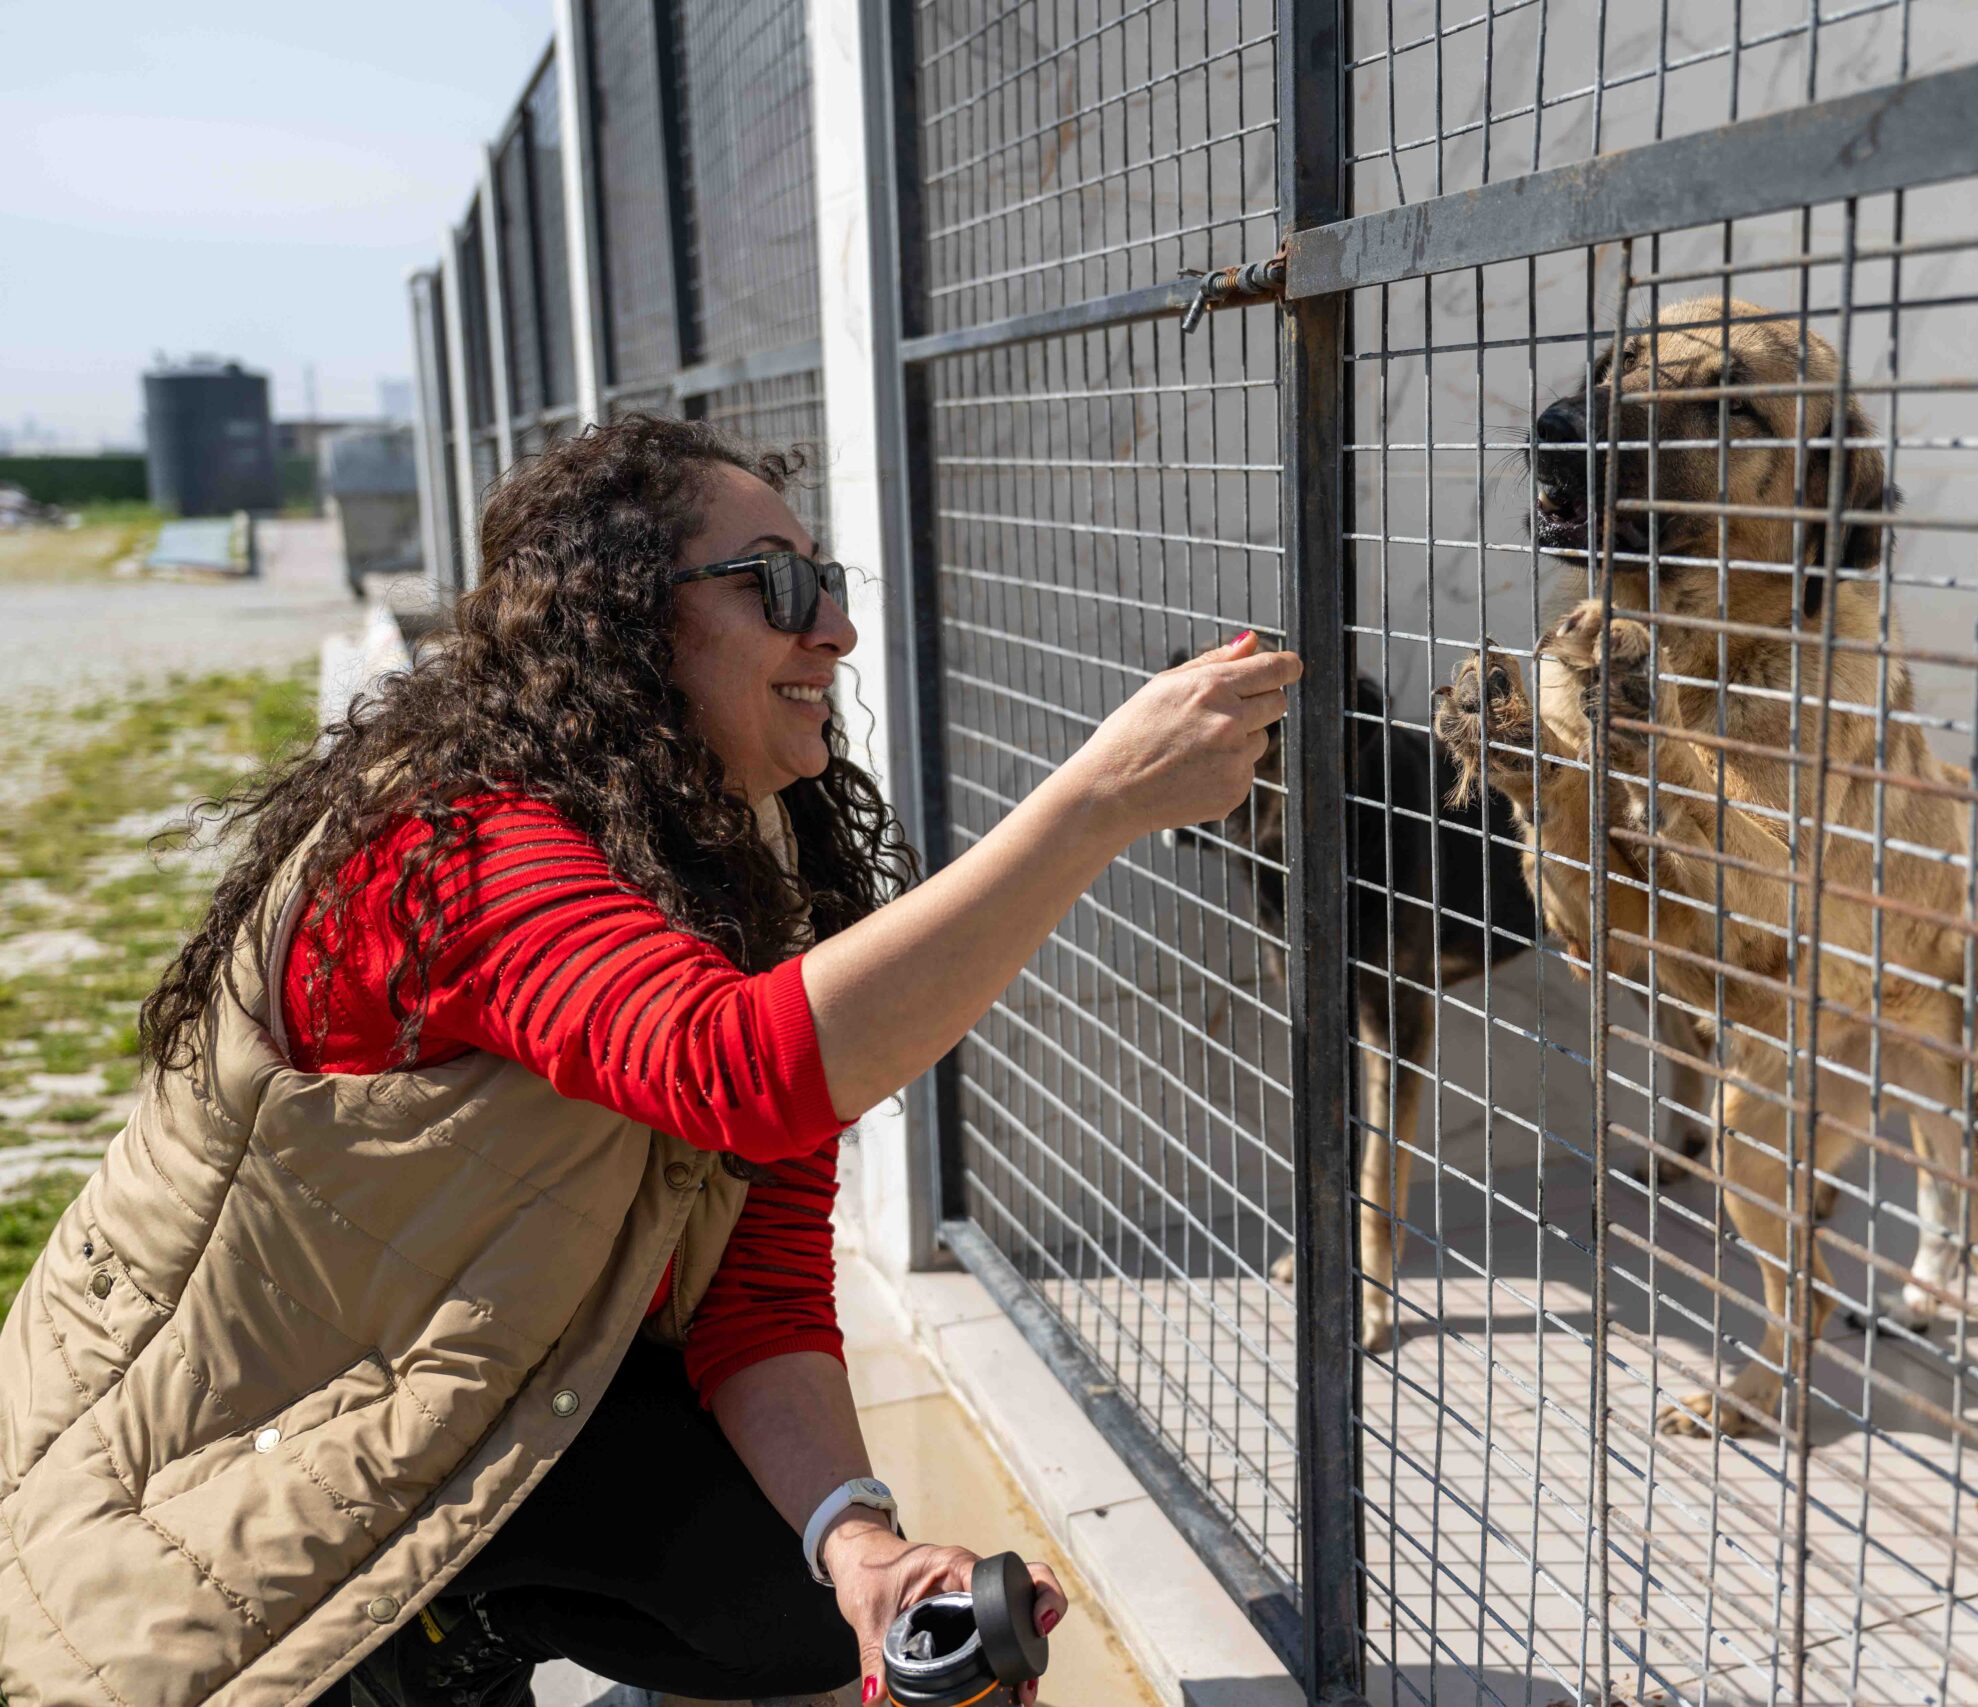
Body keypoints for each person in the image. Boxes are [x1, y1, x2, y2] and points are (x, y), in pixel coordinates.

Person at [0, 416, 1301, 1707]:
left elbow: (763, 1285)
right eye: (778, 586)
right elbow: (733, 1069)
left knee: (796, 1606)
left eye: (829, 583)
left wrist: (868, 1557)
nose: (834, 631)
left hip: (428, 1390)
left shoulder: (736, 867)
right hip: (197, 1470)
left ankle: (457, 1612)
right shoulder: (456, 849)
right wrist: (1097, 806)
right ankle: (403, 1632)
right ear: (623, 624)